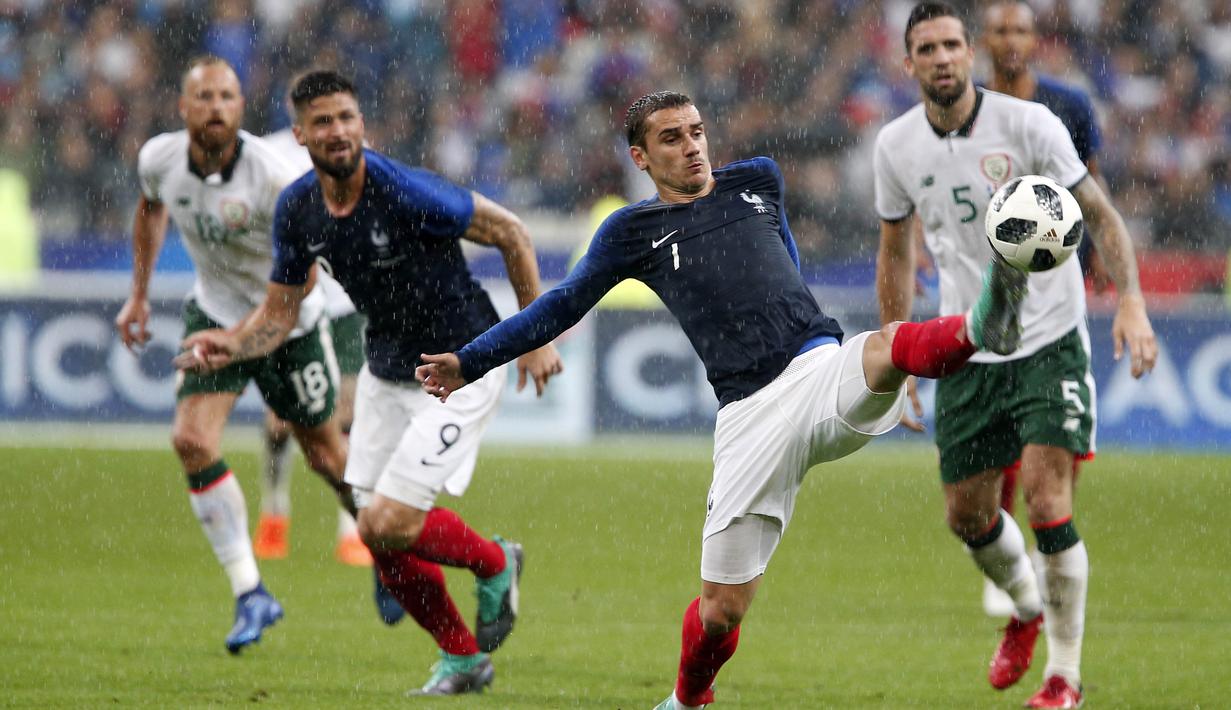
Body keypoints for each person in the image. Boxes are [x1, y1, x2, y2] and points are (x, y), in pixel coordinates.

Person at [416, 90, 1030, 710]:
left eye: (696, 131)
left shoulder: (757, 179)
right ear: (641, 157)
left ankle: (983, 325)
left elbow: (785, 263)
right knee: (719, 612)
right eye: (672, 138)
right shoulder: (630, 231)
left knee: (888, 345)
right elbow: (559, 305)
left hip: (818, 372)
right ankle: (689, 699)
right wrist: (471, 361)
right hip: (748, 416)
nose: (692, 147)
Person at [177, 69, 562, 696]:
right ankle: (463, 659)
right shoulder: (298, 209)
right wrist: (230, 345)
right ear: (300, 135)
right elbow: (279, 313)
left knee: (388, 521)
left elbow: (510, 233)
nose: (338, 131)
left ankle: (495, 562)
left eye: (346, 118)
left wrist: (535, 338)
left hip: (460, 364)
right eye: (322, 122)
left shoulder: (404, 190)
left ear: (362, 124)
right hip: (388, 371)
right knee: (374, 531)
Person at [873, 4, 1158, 708]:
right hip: (967, 344)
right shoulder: (895, 146)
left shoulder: (1030, 125)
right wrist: (896, 348)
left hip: (1048, 338)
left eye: (951, 44)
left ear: (969, 53)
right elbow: (896, 250)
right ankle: (1027, 608)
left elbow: (1098, 213)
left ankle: (1063, 678)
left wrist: (1130, 300)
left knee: (1046, 499)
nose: (942, 58)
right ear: (908, 64)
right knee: (966, 517)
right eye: (926, 49)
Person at [114, 56, 355, 655]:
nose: (216, 107)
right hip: (216, 311)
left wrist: (244, 337)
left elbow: (304, 282)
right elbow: (151, 208)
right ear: (183, 107)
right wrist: (139, 294)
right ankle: (251, 592)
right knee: (191, 440)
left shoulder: (274, 178)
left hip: (290, 324)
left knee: (328, 457)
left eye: (227, 96)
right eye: (205, 97)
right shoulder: (159, 159)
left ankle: (391, 546)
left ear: (241, 107)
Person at [979, 0, 1114, 618]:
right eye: (1000, 29)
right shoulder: (971, 109)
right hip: (990, 282)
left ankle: (1045, 540)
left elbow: (1090, 180)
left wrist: (1101, 252)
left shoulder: (1069, 105)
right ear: (983, 40)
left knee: (1059, 420)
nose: (1011, 39)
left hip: (1060, 280)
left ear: (1035, 40)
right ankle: (1004, 536)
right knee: (1000, 420)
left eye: (1020, 30)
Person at [253, 121, 407, 622]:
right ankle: (274, 509)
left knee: (349, 414)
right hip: (291, 303)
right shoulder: (266, 156)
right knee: (281, 422)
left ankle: (351, 530)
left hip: (345, 304)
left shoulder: (360, 156)